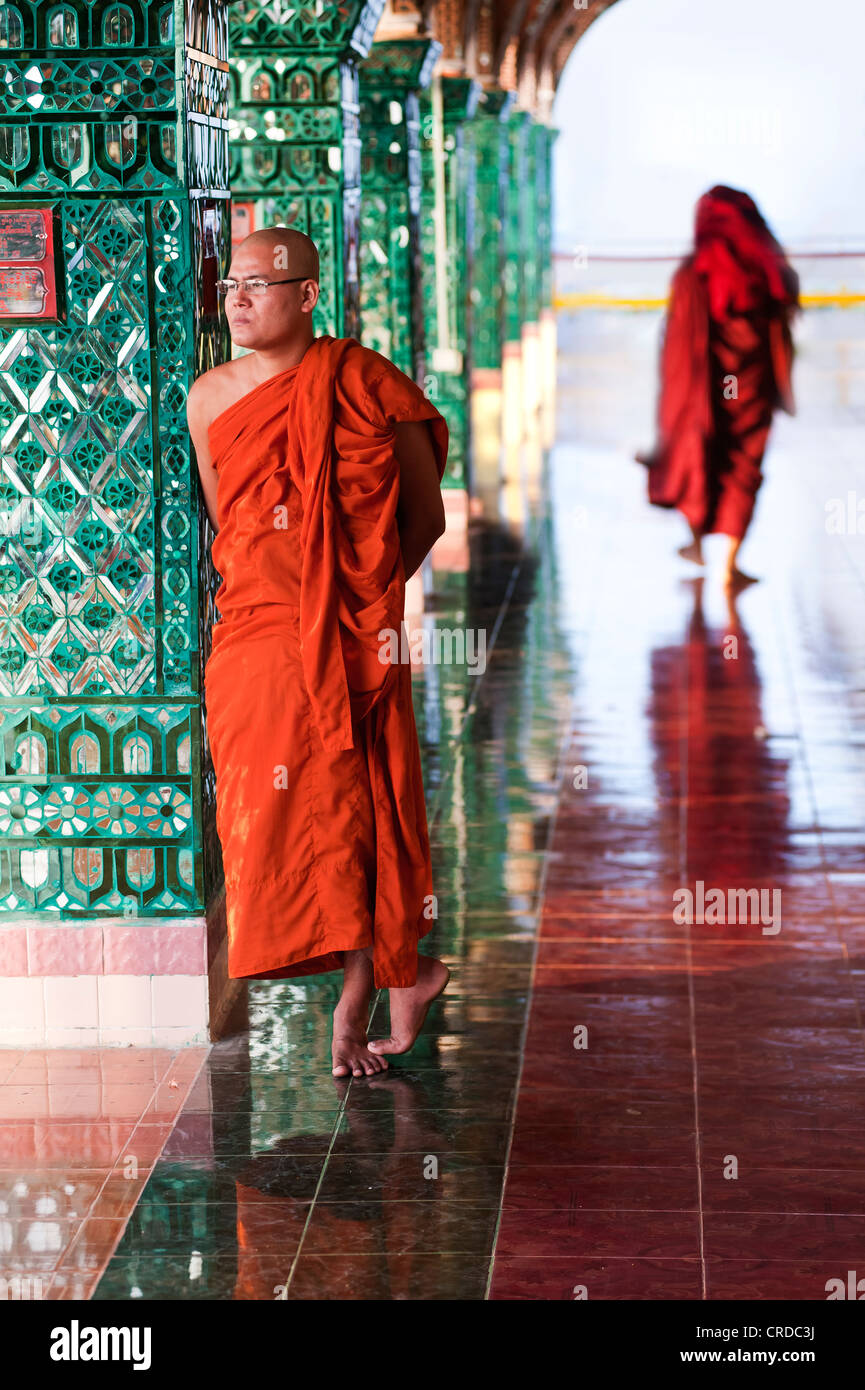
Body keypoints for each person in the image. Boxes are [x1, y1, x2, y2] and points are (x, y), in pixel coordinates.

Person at [186, 227, 451, 1078]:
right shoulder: (211, 396)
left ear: (306, 295)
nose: (240, 297)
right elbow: (235, 518)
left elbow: (423, 516)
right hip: (255, 635)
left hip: (351, 630)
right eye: (233, 283)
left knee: (358, 797)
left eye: (262, 283)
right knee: (273, 808)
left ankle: (369, 988)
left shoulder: (366, 383)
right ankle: (387, 972)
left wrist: (359, 598)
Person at [638, 185, 799, 590]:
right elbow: (783, 323)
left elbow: (677, 340)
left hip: (706, 387)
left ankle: (697, 543)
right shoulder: (766, 269)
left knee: (698, 452)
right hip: (750, 388)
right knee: (744, 462)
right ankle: (727, 563)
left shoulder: (695, 272)